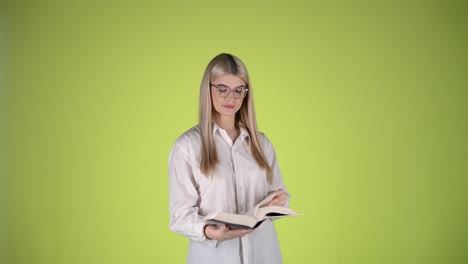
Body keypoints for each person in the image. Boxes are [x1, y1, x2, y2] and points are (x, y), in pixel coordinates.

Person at [168, 53, 290, 264]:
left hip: (263, 253)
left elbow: (278, 196)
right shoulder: (187, 146)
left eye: (238, 90)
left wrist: (279, 201)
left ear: (246, 93)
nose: (230, 98)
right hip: (215, 255)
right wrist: (210, 232)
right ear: (208, 89)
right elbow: (179, 216)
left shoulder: (261, 143)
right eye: (222, 89)